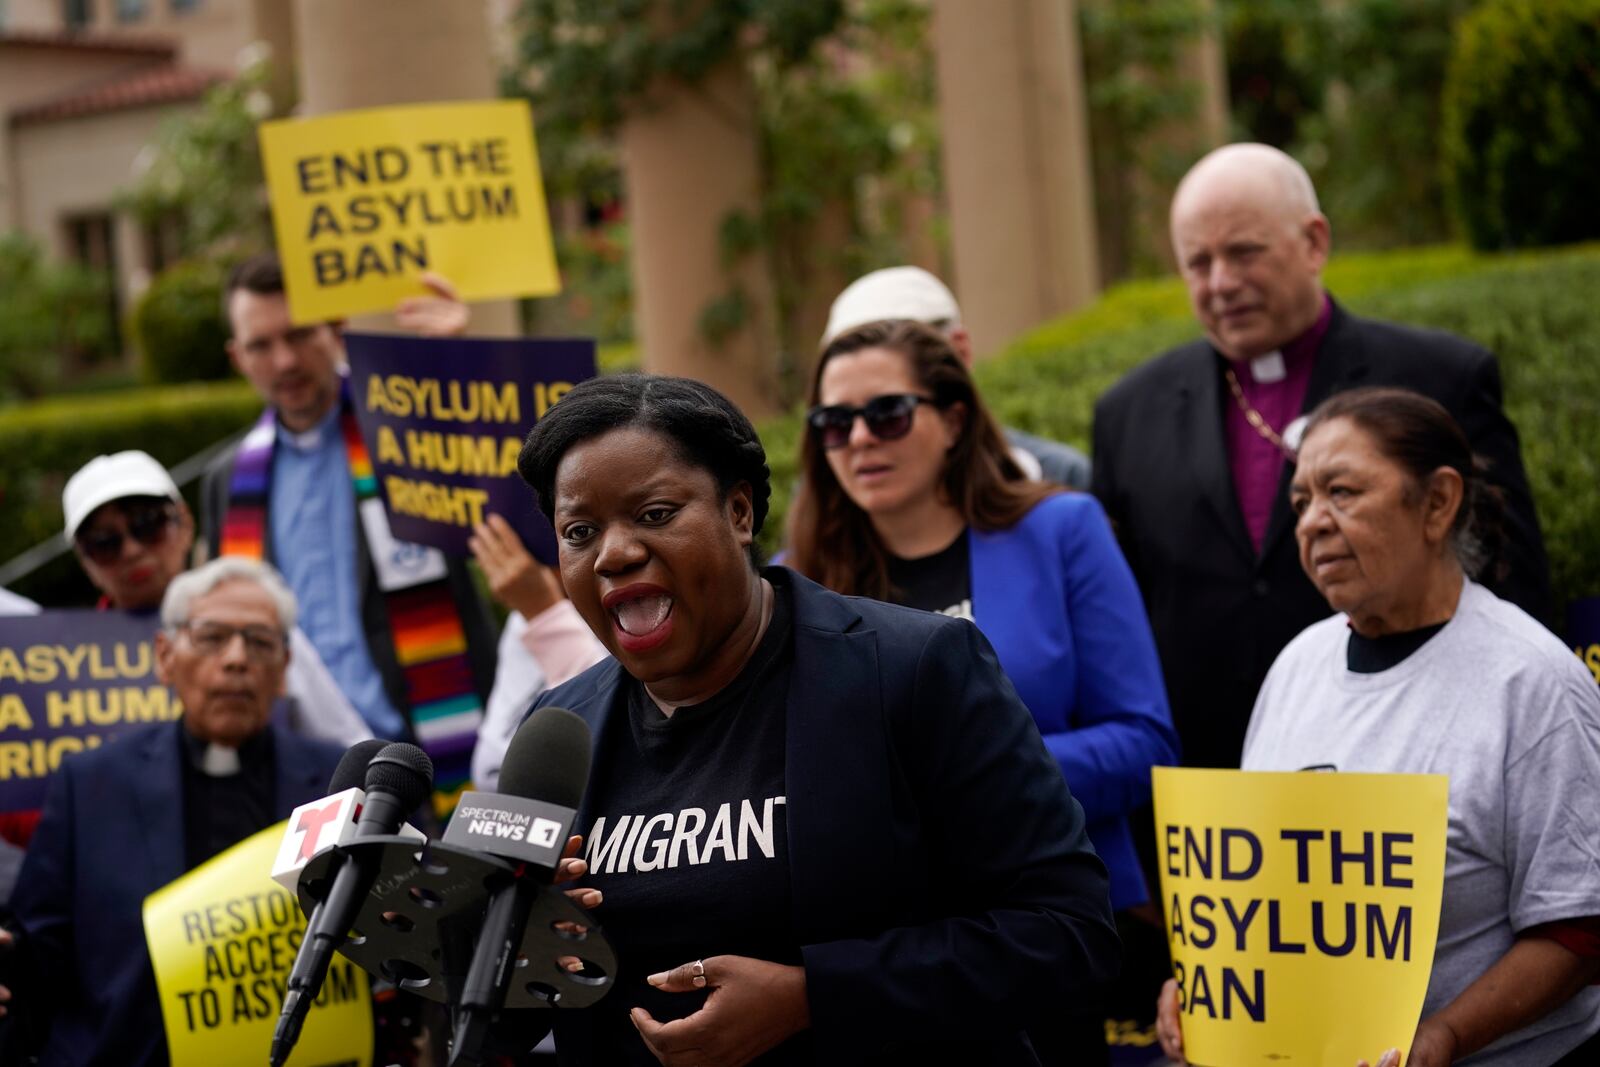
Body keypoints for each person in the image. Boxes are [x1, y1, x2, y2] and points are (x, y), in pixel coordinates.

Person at [508, 373, 1118, 1065]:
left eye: (654, 513)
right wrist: (508, 935)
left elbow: (1067, 933)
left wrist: (814, 997)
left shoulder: (912, 671)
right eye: (580, 531)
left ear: (739, 512)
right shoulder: (559, 730)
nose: (614, 553)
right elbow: (500, 1017)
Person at [1155, 388, 1600, 1067]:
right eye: (1301, 501)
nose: (1311, 523)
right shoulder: (1297, 665)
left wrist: (1444, 1034)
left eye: (1342, 491)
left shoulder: (1533, 683)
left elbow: (1578, 928)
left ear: (1438, 502)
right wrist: (1208, 990)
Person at [1091, 142, 1552, 773]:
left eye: (1244, 251)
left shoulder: (1438, 377)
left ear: (1313, 243)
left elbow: (1512, 583)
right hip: (1207, 792)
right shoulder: (1127, 413)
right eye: (1198, 263)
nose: (1221, 282)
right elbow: (1118, 625)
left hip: (1408, 762)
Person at [786, 319, 1176, 1062]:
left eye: (887, 413)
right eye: (834, 423)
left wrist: (967, 783)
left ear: (955, 417)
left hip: (1055, 935)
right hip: (882, 955)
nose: (860, 438)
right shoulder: (796, 582)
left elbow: (1144, 738)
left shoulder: (1063, 528)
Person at [2, 558, 345, 1065]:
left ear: (284, 668)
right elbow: (37, 949)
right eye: (212, 637)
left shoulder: (337, 784)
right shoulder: (91, 783)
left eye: (259, 641)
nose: (235, 659)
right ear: (165, 656)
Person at [200, 254, 498, 794]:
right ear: (237, 357)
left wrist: (458, 370)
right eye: (261, 345)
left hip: (425, 755)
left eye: (298, 334)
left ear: (336, 328)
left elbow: (507, 508)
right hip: (304, 773)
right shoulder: (227, 481)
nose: (285, 360)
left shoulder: (410, 429)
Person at [64, 449, 370, 748]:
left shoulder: (258, 617)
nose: (131, 550)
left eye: (148, 525)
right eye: (104, 543)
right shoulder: (60, 665)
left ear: (184, 522)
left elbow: (347, 745)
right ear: (84, 560)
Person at [823, 266, 1092, 488]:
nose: (861, 437)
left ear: (960, 351)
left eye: (891, 408)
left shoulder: (1057, 478)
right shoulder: (820, 508)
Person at [468, 513, 608, 789]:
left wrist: (546, 615)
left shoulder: (629, 613)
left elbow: (609, 738)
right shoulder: (526, 616)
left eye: (578, 532)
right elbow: (493, 766)